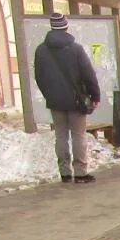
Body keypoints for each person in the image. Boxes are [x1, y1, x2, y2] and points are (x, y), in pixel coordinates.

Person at [33, 13, 101, 184]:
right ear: (65, 27)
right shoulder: (76, 49)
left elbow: (39, 77)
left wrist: (48, 94)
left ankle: (64, 172)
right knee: (78, 135)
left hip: (55, 101)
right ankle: (80, 172)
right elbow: (88, 74)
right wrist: (95, 95)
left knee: (60, 136)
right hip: (76, 100)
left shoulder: (41, 50)